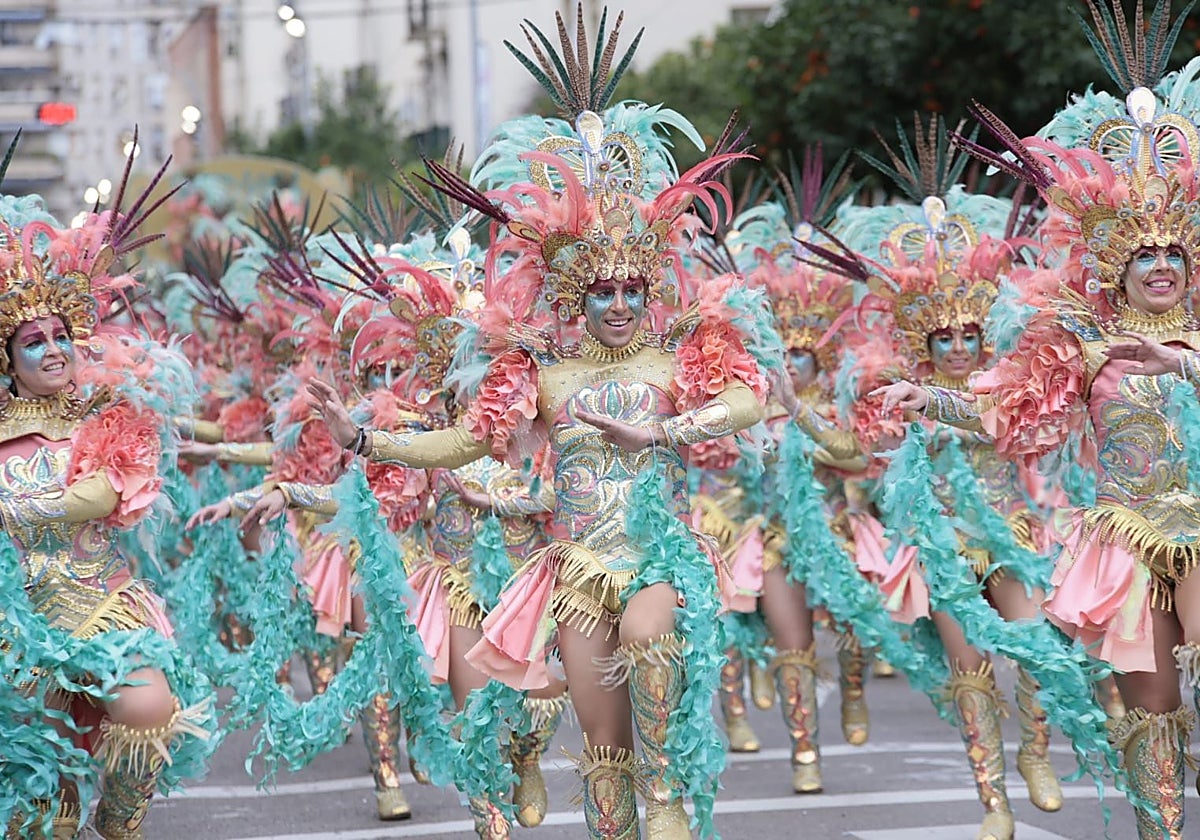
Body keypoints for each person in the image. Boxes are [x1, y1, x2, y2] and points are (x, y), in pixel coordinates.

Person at [875, 80, 1200, 838]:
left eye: (1173, 253)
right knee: (1152, 708)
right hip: (1126, 539)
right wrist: (934, 402)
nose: (1160, 266)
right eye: (1143, 254)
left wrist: (1177, 362)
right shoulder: (1084, 347)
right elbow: (1008, 417)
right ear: (1115, 270)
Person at [0, 196, 211, 839]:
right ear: (7, 359)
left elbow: (111, 487)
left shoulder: (107, 409)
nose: (55, 350)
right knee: (40, 789)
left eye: (62, 336)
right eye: (34, 342)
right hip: (15, 624)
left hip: (98, 601)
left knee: (149, 707)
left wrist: (24, 507)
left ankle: (118, 815)